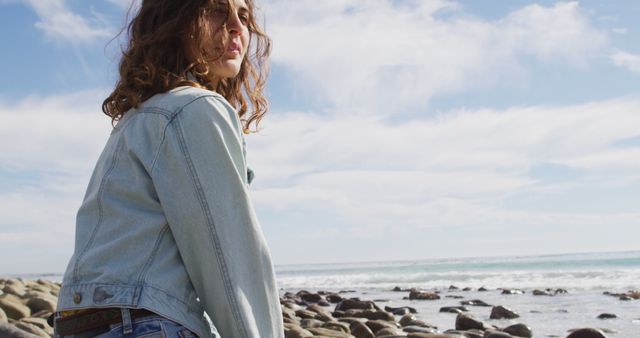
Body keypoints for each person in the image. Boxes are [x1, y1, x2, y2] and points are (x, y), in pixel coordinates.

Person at [52, 0, 284, 337]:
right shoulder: (194, 108)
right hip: (143, 323)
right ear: (175, 21)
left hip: (83, 322)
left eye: (244, 16)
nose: (236, 27)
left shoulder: (137, 119)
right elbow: (229, 258)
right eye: (217, 10)